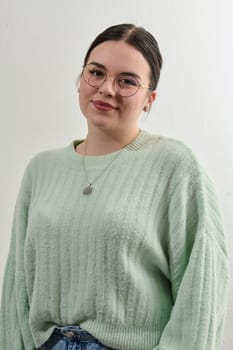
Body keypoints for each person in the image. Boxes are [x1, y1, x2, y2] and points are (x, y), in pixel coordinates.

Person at [0, 23, 229, 350]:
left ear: (150, 99)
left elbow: (202, 287)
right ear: (81, 79)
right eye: (96, 73)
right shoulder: (41, 169)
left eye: (127, 81)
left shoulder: (176, 166)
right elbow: (17, 287)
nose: (107, 88)